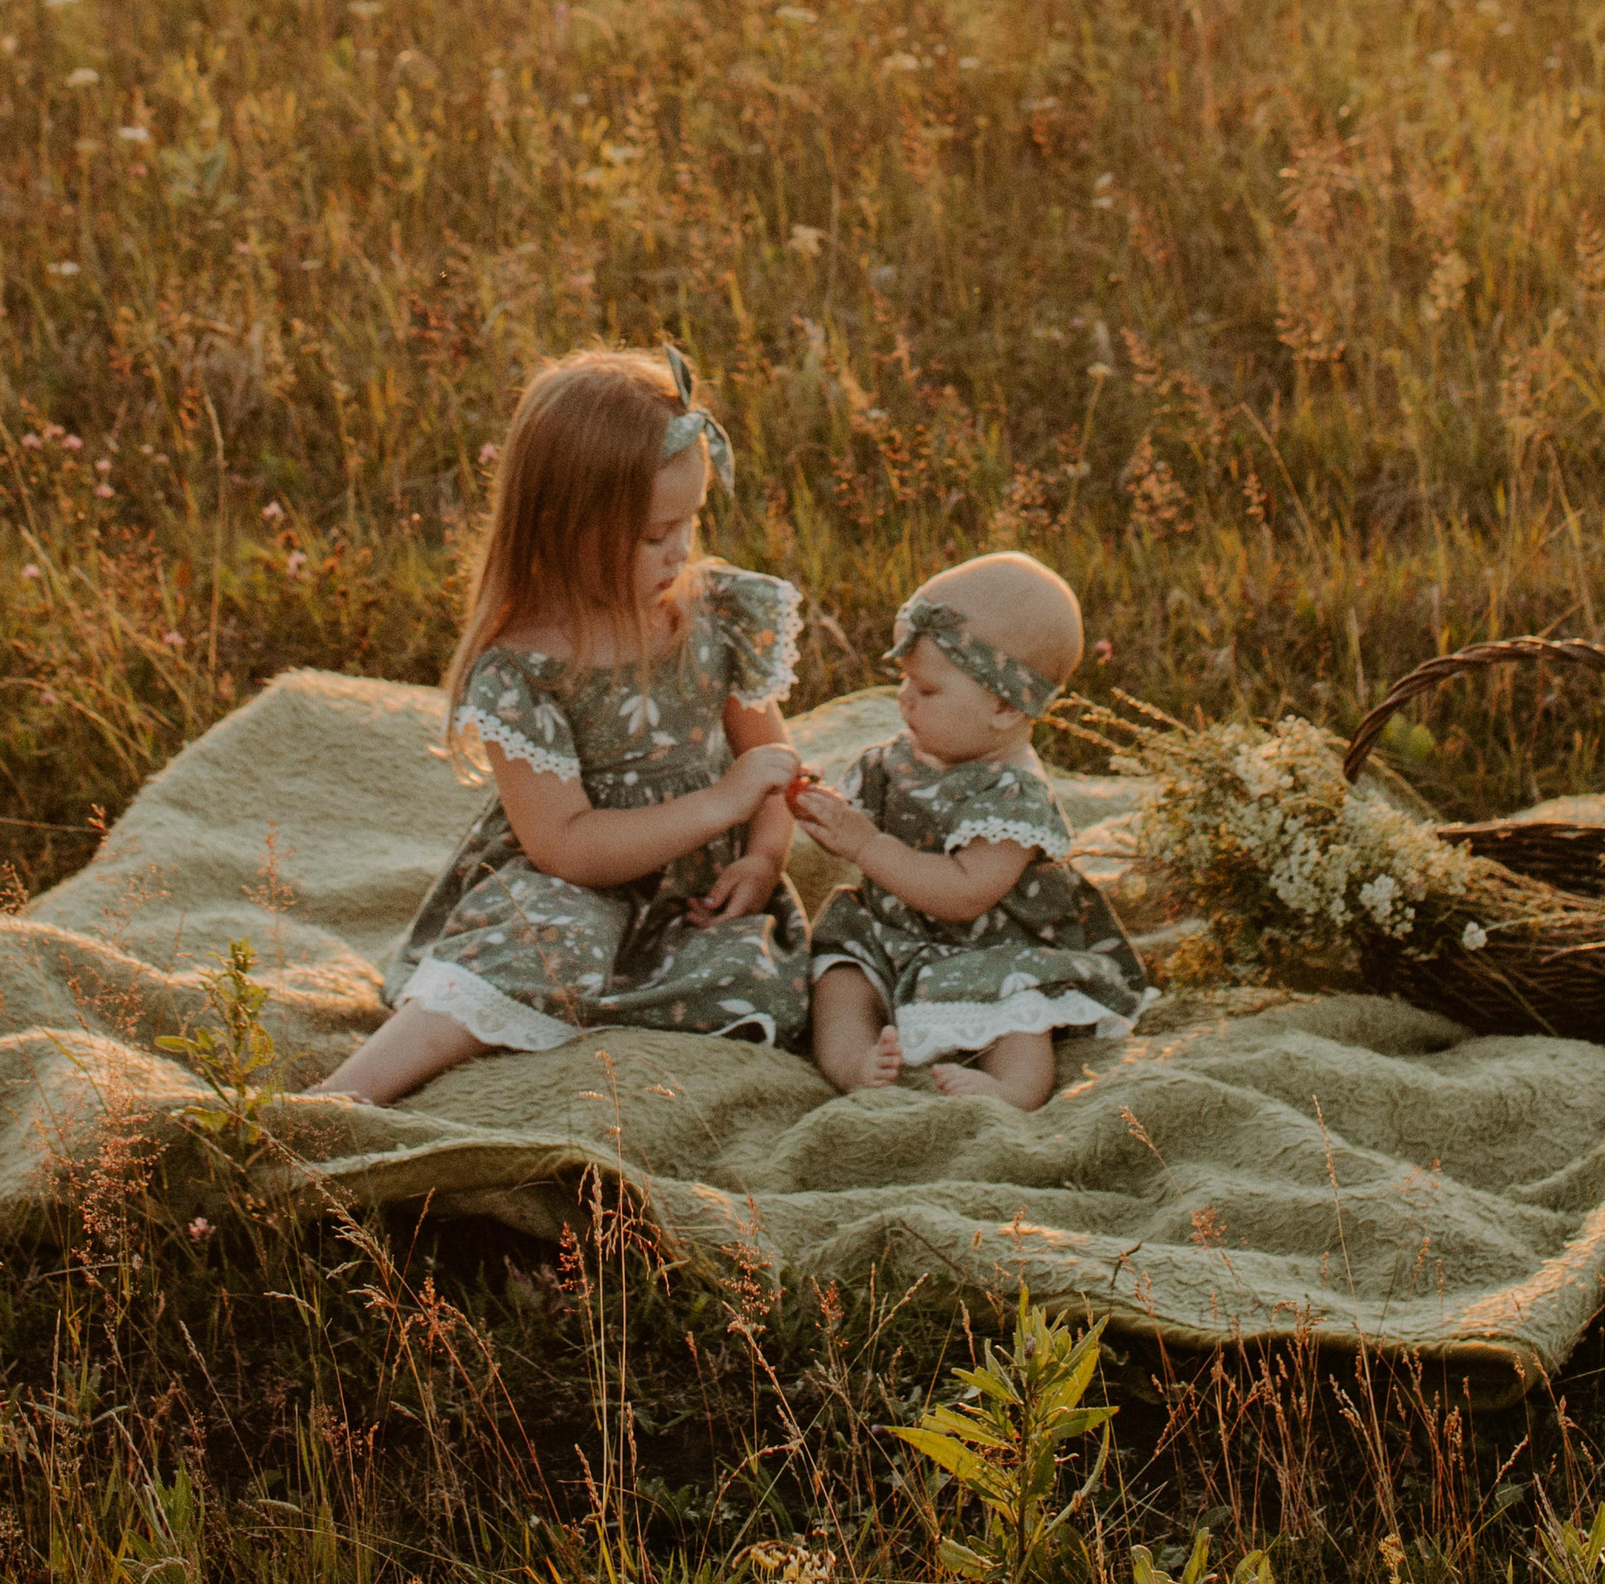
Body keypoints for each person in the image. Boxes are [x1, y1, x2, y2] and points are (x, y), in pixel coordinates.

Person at [312, 346, 807, 1103]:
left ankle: (590, 1020)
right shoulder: (525, 668)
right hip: (578, 888)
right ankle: (342, 1099)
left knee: (762, 977)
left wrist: (764, 856)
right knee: (540, 939)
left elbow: (769, 763)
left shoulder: (715, 614)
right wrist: (719, 804)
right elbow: (564, 845)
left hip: (695, 900)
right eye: (653, 535)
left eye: (691, 521)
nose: (681, 549)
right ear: (560, 527)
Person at [792, 551, 1151, 1108]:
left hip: (987, 944)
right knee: (839, 973)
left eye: (928, 690)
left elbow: (965, 894)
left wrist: (865, 844)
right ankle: (853, 1062)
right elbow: (859, 817)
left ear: (1005, 706)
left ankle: (1014, 1087)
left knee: (1017, 1008)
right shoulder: (904, 758)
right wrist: (821, 807)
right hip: (892, 928)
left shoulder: (1012, 797)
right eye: (904, 680)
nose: (904, 699)